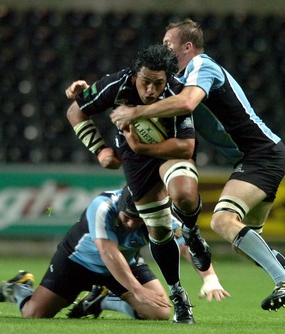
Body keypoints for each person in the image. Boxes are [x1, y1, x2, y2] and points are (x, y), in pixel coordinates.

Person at [110, 19, 285, 327]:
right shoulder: (176, 78)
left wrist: (136, 112)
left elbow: (187, 103)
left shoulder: (202, 66)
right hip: (259, 156)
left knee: (222, 220)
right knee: (250, 244)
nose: (164, 49)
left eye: (168, 44)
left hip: (261, 155)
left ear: (187, 47)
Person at [65, 44, 212, 323]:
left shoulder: (178, 93)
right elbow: (76, 110)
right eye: (146, 82)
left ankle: (192, 233)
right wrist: (100, 149)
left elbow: (186, 147)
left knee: (183, 195)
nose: (151, 91)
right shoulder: (116, 84)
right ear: (135, 74)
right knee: (158, 231)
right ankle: (178, 293)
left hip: (171, 151)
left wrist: (144, 148)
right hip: (136, 161)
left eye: (158, 83)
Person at [0, 187, 230, 321]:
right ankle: (19, 288)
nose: (130, 224)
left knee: (160, 312)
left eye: (136, 219)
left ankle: (104, 299)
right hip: (77, 262)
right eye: (126, 216)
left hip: (125, 262)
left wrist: (209, 279)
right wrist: (137, 291)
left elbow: (186, 245)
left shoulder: (159, 215)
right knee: (34, 314)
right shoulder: (102, 205)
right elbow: (108, 253)